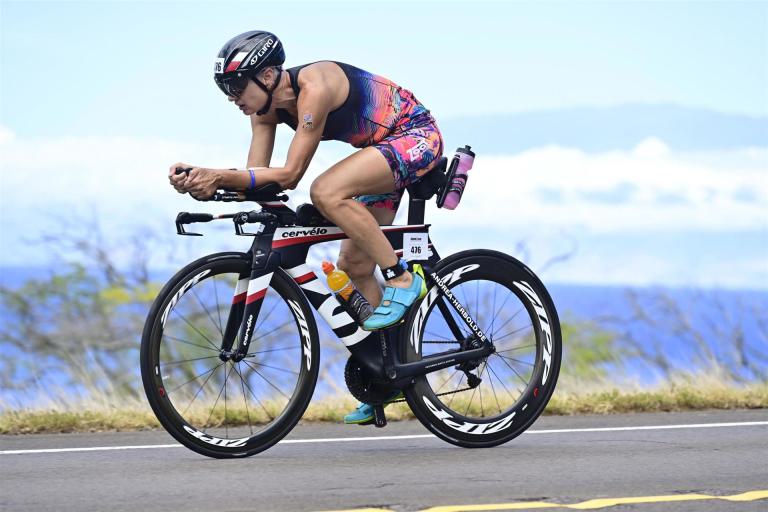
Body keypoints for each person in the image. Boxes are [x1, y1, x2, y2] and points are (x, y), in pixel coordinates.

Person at [168, 30, 443, 424]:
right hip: (379, 152)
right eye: (225, 89)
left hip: (416, 136)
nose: (232, 98)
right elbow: (259, 179)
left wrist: (220, 175)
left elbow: (291, 174)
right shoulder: (264, 112)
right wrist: (203, 184)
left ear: (266, 76)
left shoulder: (315, 87)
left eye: (236, 86)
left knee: (326, 191)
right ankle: (391, 373)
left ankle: (401, 278)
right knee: (354, 266)